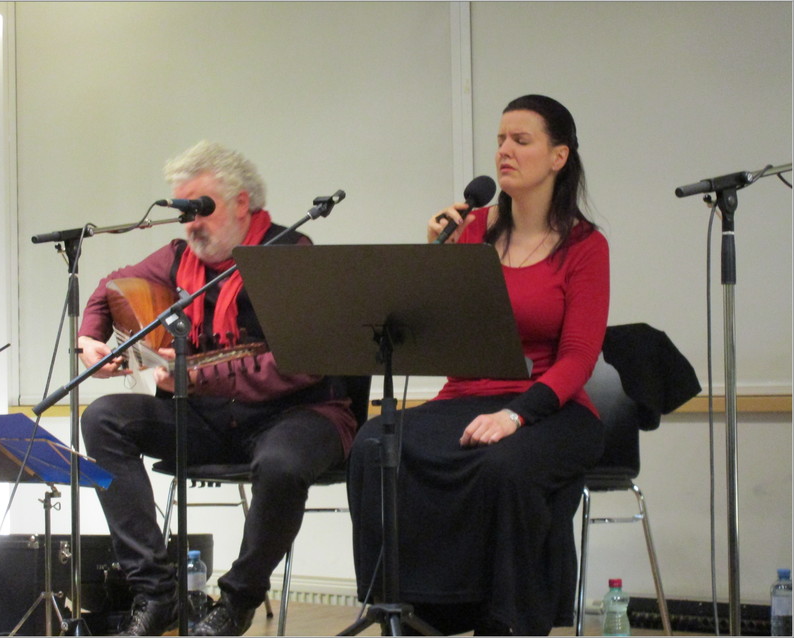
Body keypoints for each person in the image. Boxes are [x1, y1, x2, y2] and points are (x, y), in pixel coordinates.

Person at [347, 95, 609, 635]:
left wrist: (516, 415)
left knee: (503, 465)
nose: (504, 151)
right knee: (374, 443)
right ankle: (410, 614)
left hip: (551, 408)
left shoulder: (585, 245)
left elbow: (579, 358)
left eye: (521, 140)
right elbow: (434, 331)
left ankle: (504, 619)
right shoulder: (470, 231)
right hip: (466, 397)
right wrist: (434, 257)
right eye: (499, 140)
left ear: (558, 157)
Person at [79, 141, 358, 636]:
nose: (191, 224)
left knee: (281, 462)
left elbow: (299, 366)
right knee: (102, 419)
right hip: (208, 417)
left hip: (296, 414)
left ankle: (237, 600)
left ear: (241, 203)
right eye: (184, 212)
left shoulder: (290, 254)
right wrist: (89, 339)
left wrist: (194, 375)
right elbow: (108, 287)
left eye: (201, 209)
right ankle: (157, 592)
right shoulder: (176, 258)